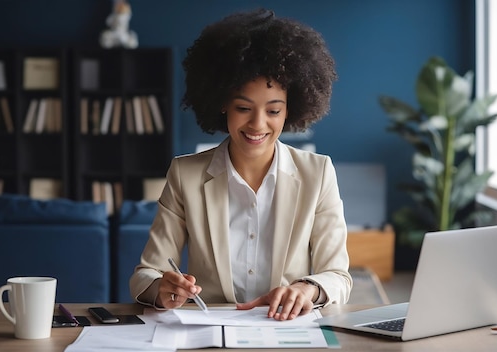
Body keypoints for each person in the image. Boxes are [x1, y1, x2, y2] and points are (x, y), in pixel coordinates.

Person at [129, 8, 352, 321]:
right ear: (222, 103)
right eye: (244, 108)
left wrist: (307, 289)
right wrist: (161, 289)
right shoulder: (185, 174)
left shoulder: (317, 173)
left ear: (291, 109)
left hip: (285, 330)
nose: (258, 124)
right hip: (208, 330)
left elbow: (338, 277)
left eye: (273, 111)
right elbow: (145, 274)